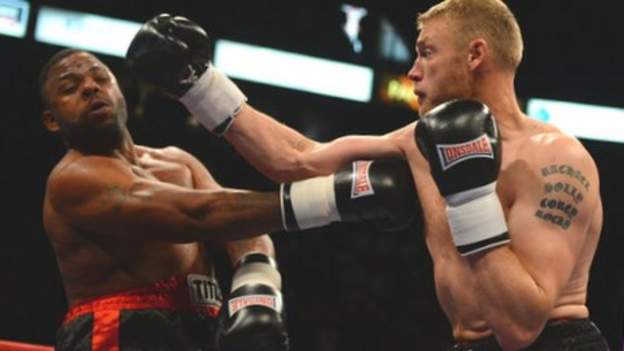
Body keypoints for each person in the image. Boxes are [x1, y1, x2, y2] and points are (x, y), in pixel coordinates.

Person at [125, 1, 609, 349]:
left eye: (426, 52)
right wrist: (199, 86)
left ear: (475, 54)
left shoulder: (554, 159)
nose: (413, 70)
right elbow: (296, 159)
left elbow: (522, 327)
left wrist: (469, 197)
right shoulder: (417, 140)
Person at [40, 49, 418, 350]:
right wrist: (334, 199)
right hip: (118, 332)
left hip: (202, 327)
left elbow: (242, 230)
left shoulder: (177, 160)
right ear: (52, 120)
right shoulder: (73, 179)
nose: (91, 87)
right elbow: (197, 214)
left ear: (120, 90)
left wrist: (256, 286)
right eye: (71, 87)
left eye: (100, 77)